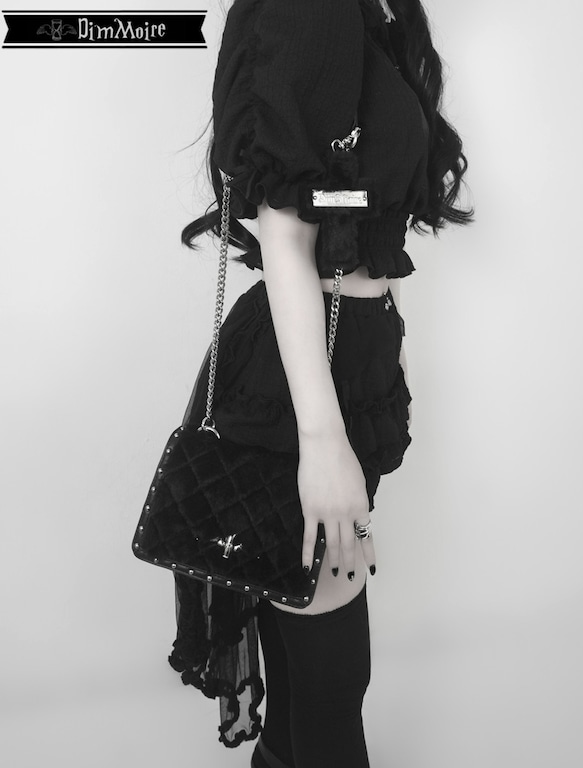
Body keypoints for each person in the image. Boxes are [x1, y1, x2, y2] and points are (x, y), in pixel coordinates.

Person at [168, 1, 473, 767]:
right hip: (303, 384)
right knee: (334, 681)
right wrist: (322, 440)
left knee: (310, 676)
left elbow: (361, 220)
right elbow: (284, 228)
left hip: (345, 368)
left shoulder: (375, 13)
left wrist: (388, 346)